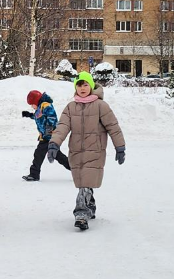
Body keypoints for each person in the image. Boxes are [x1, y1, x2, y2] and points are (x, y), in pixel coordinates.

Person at [48, 71, 126, 231]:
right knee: (83, 181)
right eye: (79, 85)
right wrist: (54, 143)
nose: (82, 88)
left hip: (95, 151)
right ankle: (90, 206)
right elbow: (62, 126)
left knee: (85, 182)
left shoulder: (100, 106)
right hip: (76, 151)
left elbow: (113, 127)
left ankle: (81, 213)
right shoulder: (71, 107)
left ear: (91, 86)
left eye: (85, 84)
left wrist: (120, 147)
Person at [21, 89, 71, 181]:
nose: (32, 106)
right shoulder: (40, 107)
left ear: (36, 101)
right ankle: (75, 169)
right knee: (56, 155)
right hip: (45, 136)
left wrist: (49, 130)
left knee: (38, 154)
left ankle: (34, 174)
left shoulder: (46, 106)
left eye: (32, 104)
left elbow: (52, 117)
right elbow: (39, 117)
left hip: (49, 136)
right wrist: (29, 115)